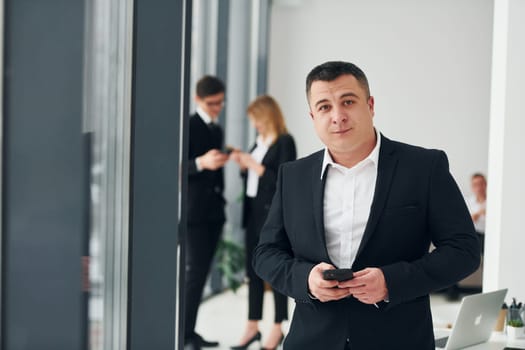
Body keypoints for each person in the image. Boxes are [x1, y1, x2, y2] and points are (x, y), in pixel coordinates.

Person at [252, 61, 481, 349]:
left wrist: (391, 282)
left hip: (398, 339)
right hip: (312, 340)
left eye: (348, 101)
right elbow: (266, 253)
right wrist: (306, 280)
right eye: (324, 107)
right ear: (313, 116)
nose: (338, 116)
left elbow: (464, 251)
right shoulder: (293, 175)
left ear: (370, 105)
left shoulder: (424, 168)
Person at [229, 95, 296, 350]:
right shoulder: (258, 142)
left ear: (267, 115)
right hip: (253, 213)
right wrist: (243, 166)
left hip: (273, 215)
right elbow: (253, 178)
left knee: (276, 271)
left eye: (256, 119)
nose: (254, 124)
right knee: (253, 271)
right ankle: (252, 326)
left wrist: (254, 166)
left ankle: (278, 326)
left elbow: (283, 180)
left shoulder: (285, 142)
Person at [185, 75, 229, 350]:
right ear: (197, 99)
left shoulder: (217, 129)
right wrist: (202, 162)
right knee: (195, 274)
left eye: (221, 103)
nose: (217, 108)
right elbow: (174, 166)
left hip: (214, 211)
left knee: (201, 274)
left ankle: (190, 330)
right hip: (194, 213)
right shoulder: (188, 126)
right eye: (212, 104)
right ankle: (185, 334)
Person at [466, 172, 487, 252]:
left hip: (489, 235)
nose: (479, 188)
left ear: (486, 184)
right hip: (474, 236)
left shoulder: (494, 203)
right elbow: (465, 222)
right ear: (472, 187)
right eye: (475, 185)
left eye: (481, 184)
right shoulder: (468, 202)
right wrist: (477, 214)